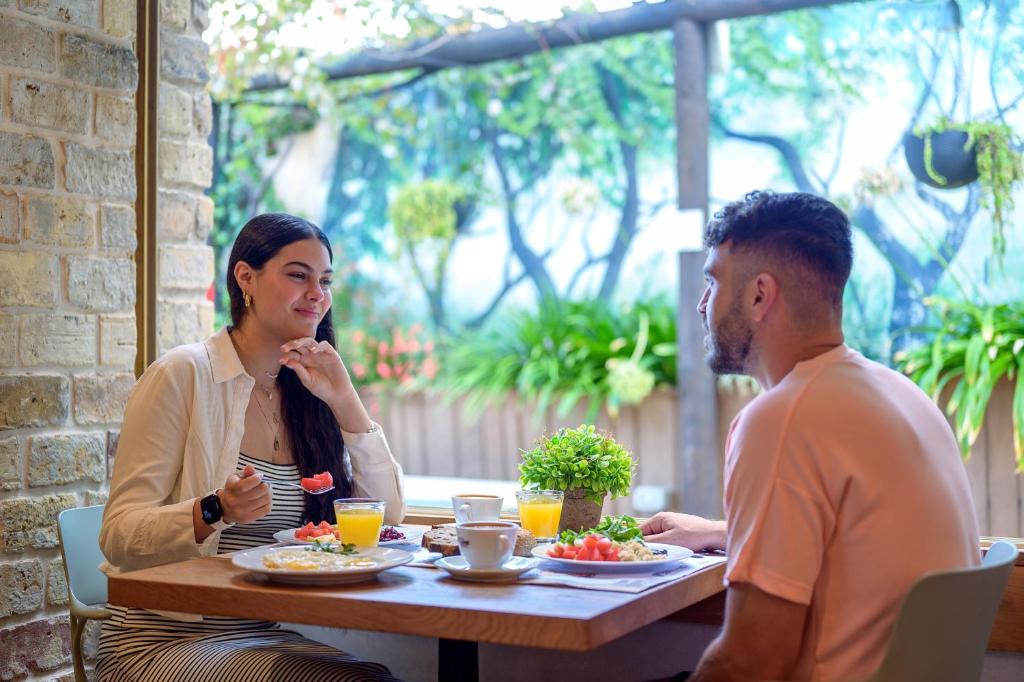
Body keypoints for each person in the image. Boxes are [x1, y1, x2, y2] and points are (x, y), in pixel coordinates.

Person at [642, 191, 979, 681]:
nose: (701, 305)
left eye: (712, 282)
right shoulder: (901, 395)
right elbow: (853, 541)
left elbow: (749, 662)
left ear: (759, 294)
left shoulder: (782, 419)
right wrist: (720, 533)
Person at [97, 213, 406, 682]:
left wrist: (346, 402)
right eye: (298, 275)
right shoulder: (182, 375)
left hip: (260, 635)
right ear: (246, 277)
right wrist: (215, 507)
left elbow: (389, 516)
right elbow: (118, 534)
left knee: (374, 677)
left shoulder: (306, 392)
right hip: (158, 642)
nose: (317, 294)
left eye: (325, 281)